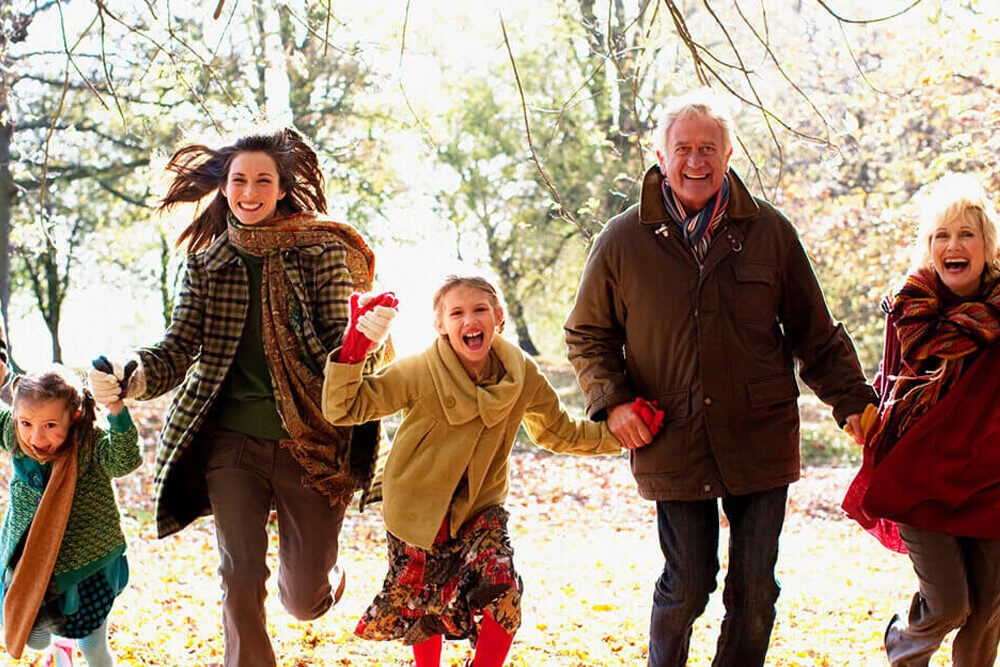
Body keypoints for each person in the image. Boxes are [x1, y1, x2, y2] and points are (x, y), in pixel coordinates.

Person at [563, 87, 876, 666]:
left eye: (709, 148)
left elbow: (815, 332)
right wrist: (614, 403)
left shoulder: (771, 232)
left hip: (759, 434)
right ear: (660, 157)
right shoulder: (622, 239)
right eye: (683, 148)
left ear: (730, 155)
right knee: (687, 584)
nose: (696, 161)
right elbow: (587, 334)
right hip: (673, 436)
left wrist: (854, 402)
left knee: (756, 592)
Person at [88, 127, 386, 667]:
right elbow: (178, 348)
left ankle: (327, 582)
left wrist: (362, 339)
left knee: (303, 600)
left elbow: (334, 351)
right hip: (232, 444)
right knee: (240, 575)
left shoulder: (319, 252)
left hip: (310, 441)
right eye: (239, 180)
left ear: (282, 189)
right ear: (223, 188)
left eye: (263, 181)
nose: (250, 191)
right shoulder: (206, 265)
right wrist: (130, 374)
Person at [322, 275, 629, 667]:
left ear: (498, 316)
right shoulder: (420, 371)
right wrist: (354, 351)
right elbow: (345, 408)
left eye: (480, 309)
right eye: (457, 312)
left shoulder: (521, 375)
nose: (470, 320)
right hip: (417, 510)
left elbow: (558, 431)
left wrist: (620, 436)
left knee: (504, 592)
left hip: (481, 510)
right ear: (441, 325)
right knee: (424, 609)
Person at [842, 173, 1000, 666]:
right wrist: (862, 418)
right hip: (919, 477)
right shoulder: (910, 309)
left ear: (986, 245)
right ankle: (903, 648)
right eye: (941, 236)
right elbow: (890, 381)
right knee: (950, 603)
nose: (954, 245)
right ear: (929, 247)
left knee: (988, 610)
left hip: (991, 476)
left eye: (966, 234)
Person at [0, 365, 141, 666]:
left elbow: (124, 459)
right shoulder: (16, 437)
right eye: (26, 423)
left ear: (74, 416)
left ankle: (71, 644)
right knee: (33, 639)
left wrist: (115, 407)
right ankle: (61, 644)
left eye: (50, 425)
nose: (36, 437)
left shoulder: (88, 442)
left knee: (92, 649)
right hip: (32, 564)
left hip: (87, 565)